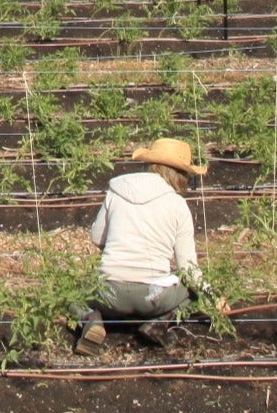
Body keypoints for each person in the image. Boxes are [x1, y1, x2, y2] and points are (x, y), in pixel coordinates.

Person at [79, 138, 223, 348]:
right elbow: (189, 270)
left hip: (110, 295)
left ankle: (91, 320)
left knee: (73, 294)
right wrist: (213, 296)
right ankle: (157, 323)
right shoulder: (178, 205)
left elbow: (96, 237)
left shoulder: (116, 191)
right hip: (153, 298)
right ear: (181, 174)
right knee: (192, 294)